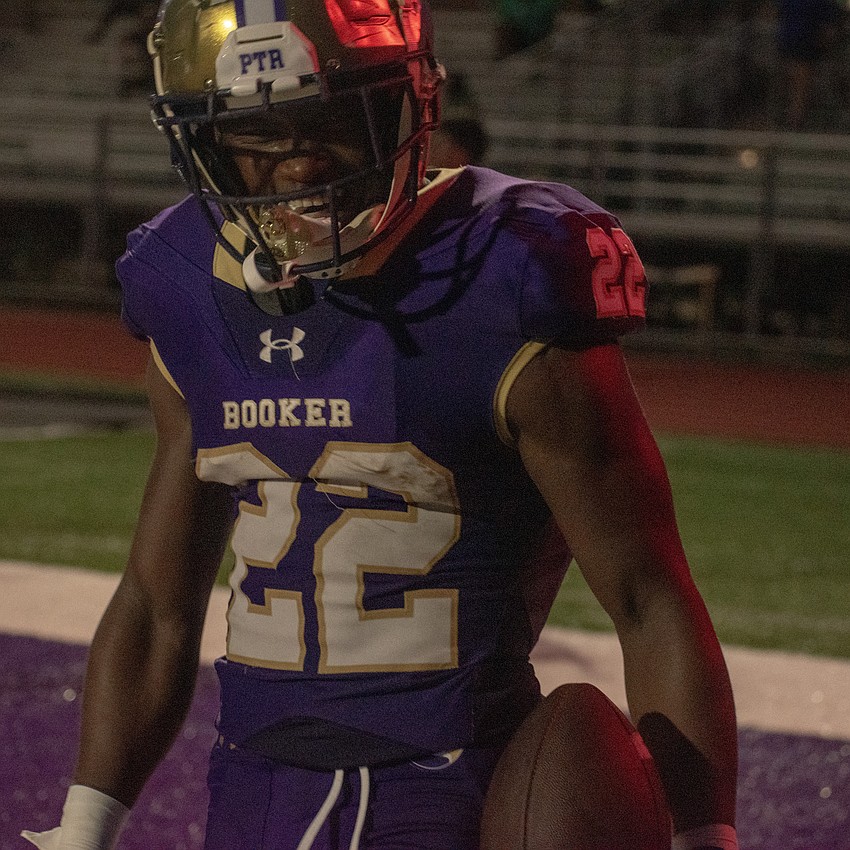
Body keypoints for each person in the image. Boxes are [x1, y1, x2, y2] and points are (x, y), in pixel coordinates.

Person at [22, 1, 738, 849]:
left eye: (327, 118)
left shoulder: (498, 278)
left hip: (450, 783)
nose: (296, 164)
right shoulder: (183, 287)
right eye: (258, 132)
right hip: (251, 781)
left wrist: (703, 837)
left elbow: (648, 599)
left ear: (411, 104)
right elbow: (154, 603)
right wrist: (82, 828)